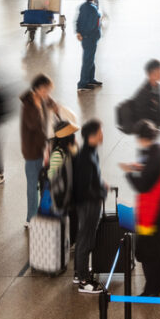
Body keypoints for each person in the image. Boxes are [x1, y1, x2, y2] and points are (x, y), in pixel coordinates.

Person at [121, 120, 160, 296]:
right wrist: (141, 167)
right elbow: (153, 172)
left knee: (147, 248)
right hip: (159, 205)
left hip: (149, 210)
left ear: (143, 138)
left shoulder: (152, 155)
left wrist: (129, 172)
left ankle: (152, 288)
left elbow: (143, 185)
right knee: (157, 244)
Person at [72, 120, 108, 293]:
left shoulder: (90, 152)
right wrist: (100, 192)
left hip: (88, 203)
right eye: (100, 132)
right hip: (88, 205)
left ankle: (80, 272)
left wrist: (101, 183)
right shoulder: (86, 157)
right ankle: (84, 281)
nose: (103, 135)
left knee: (84, 238)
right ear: (92, 136)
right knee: (86, 240)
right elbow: (84, 187)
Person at [20, 74, 58, 222]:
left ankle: (42, 212)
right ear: (38, 88)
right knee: (32, 185)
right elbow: (33, 125)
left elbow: (51, 103)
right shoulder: (28, 105)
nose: (48, 93)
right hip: (32, 151)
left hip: (42, 147)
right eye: (46, 90)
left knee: (43, 182)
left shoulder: (41, 98)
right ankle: (31, 218)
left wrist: (53, 106)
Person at [129, 60, 160, 129]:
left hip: (155, 128)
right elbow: (140, 116)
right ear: (152, 75)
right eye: (159, 71)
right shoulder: (144, 94)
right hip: (147, 131)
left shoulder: (156, 86)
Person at [75, 0, 102, 91]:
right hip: (90, 38)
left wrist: (79, 32)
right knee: (87, 60)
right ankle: (82, 83)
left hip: (85, 37)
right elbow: (92, 25)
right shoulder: (93, 9)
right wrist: (86, 35)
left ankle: (90, 79)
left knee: (90, 59)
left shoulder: (82, 6)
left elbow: (78, 20)